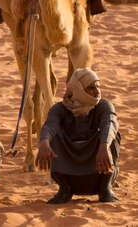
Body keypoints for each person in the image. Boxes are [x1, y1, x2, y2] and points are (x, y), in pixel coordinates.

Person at [36, 68, 121, 204]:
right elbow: (49, 125)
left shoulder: (104, 106)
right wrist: (43, 143)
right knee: (52, 136)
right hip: (69, 175)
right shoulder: (60, 109)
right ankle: (64, 191)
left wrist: (104, 146)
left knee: (112, 133)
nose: (97, 91)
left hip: (98, 172)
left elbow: (110, 122)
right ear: (78, 89)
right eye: (91, 88)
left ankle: (105, 189)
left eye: (98, 87)